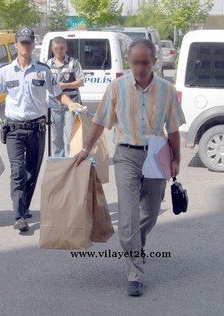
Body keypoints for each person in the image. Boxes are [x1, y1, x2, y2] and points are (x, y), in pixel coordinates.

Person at [75, 39, 186, 296]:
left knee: (151, 210)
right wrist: (85, 149)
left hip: (157, 152)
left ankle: (138, 241)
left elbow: (173, 130)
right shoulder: (116, 88)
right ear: (129, 62)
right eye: (135, 62)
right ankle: (135, 273)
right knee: (127, 219)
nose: (139, 68)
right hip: (126, 154)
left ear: (154, 62)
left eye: (145, 62)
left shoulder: (166, 90)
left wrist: (176, 159)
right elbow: (99, 122)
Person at [0, 27, 85, 232]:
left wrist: (72, 104)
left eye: (29, 42)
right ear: (16, 45)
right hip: (14, 130)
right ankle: (19, 215)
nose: (26, 46)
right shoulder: (5, 71)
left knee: (31, 172)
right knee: (17, 171)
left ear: (33, 45)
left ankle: (24, 207)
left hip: (37, 129)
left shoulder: (43, 70)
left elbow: (56, 93)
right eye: (22, 42)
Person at [46, 36, 84, 157]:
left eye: (61, 48)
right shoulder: (47, 65)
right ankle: (59, 161)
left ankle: (71, 160)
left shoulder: (74, 62)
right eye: (56, 48)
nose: (59, 51)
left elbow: (80, 82)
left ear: (66, 48)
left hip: (71, 106)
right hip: (54, 106)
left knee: (70, 136)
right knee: (56, 137)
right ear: (52, 48)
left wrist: (64, 85)